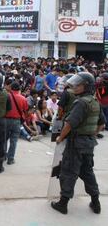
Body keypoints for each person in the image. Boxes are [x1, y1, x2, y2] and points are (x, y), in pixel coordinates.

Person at [51, 72, 105, 215]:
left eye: (79, 84)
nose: (75, 86)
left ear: (86, 87)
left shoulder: (80, 103)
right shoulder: (94, 102)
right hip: (89, 144)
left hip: (75, 144)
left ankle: (63, 204)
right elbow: (102, 124)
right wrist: (91, 135)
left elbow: (69, 124)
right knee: (87, 172)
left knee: (68, 172)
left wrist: (60, 138)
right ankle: (96, 202)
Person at [5, 82, 29, 164]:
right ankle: (10, 159)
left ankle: (3, 156)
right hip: (16, 121)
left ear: (11, 88)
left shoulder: (6, 96)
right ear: (19, 89)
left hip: (6, 120)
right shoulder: (23, 99)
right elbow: (25, 111)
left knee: (4, 139)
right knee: (14, 140)